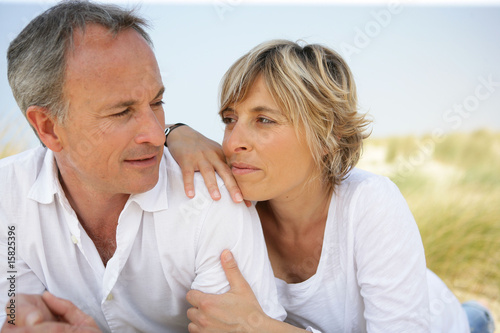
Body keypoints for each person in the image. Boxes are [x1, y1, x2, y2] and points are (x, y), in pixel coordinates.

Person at [165, 40, 496, 332]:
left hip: (447, 324)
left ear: (327, 137)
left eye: (264, 120)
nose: (233, 141)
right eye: (229, 119)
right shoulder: (231, 208)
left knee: (472, 320)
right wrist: (174, 132)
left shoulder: (370, 202)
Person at [0, 2, 286, 332]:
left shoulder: (213, 203)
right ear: (48, 127)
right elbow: (13, 306)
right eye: (121, 112)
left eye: (157, 103)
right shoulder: (8, 196)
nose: (155, 133)